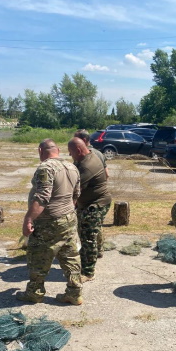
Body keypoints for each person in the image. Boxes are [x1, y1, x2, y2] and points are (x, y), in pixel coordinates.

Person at [17, 139, 83, 305]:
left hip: (49, 221)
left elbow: (42, 197)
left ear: (40, 150)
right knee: (70, 256)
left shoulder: (46, 168)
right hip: (69, 218)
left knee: (38, 256)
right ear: (58, 150)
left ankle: (35, 293)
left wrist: (29, 218)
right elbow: (76, 195)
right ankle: (74, 293)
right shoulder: (72, 167)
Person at [68, 137, 112, 282]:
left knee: (87, 237)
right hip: (90, 203)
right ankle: (97, 252)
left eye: (71, 152)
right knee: (92, 231)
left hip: (96, 204)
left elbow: (75, 190)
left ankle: (88, 272)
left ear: (79, 150)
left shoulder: (86, 166)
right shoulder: (89, 155)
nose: (70, 156)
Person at [74, 129, 109, 258]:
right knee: (96, 226)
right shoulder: (99, 154)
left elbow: (78, 185)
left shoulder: (85, 158)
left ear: (83, 141)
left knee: (87, 230)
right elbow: (107, 174)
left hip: (90, 200)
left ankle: (90, 256)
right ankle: (99, 249)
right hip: (98, 196)